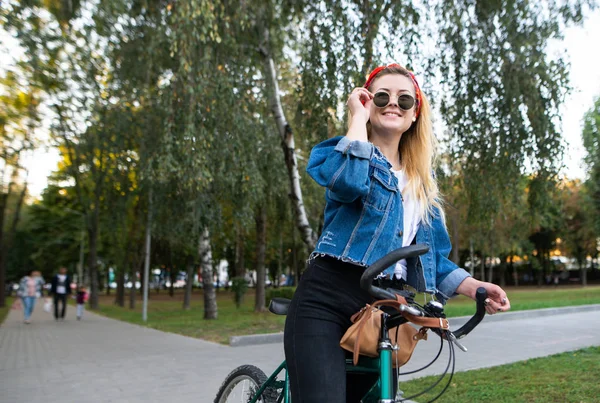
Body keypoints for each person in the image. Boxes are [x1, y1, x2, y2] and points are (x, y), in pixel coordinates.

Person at [283, 63, 512, 403]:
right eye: (381, 96)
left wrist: (476, 287)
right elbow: (348, 182)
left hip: (384, 307)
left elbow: (432, 259)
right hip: (327, 297)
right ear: (367, 101)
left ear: (415, 113)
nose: (393, 104)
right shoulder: (345, 153)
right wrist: (356, 118)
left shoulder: (422, 186)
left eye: (405, 100)